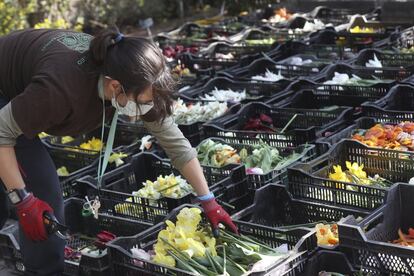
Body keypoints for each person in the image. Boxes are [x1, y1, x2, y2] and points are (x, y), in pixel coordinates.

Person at [0, 27, 237, 275]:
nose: (145, 111)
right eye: (143, 103)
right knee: (44, 194)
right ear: (115, 87)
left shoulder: (133, 78)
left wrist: (207, 199)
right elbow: (2, 133)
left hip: (26, 96)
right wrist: (24, 202)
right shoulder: (61, 89)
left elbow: (174, 142)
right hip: (5, 95)